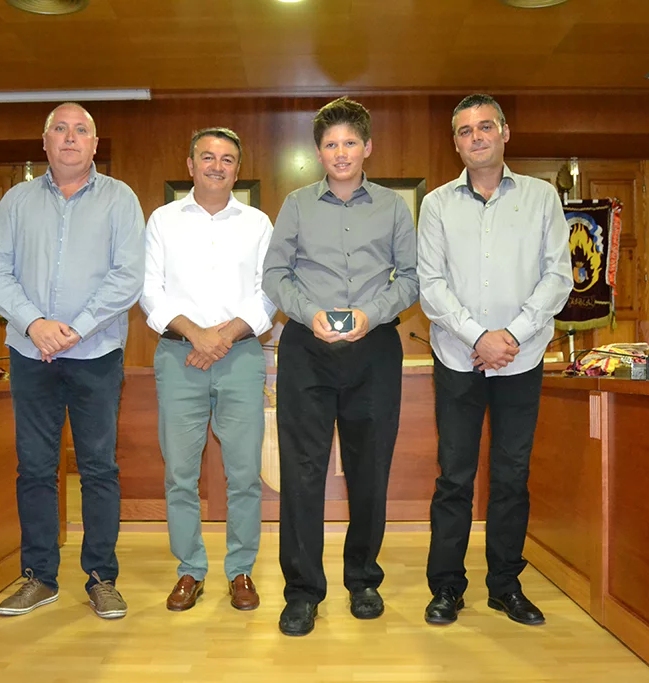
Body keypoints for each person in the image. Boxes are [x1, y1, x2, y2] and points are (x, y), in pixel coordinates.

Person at [262, 96, 419, 637]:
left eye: (350, 142)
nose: (341, 152)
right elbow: (275, 275)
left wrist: (370, 314)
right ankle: (303, 591)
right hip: (307, 350)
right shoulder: (297, 204)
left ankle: (364, 579)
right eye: (331, 144)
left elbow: (412, 278)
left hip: (374, 350)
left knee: (369, 468)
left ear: (367, 147)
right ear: (318, 153)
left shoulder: (395, 208)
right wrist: (309, 314)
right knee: (302, 473)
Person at [0, 102, 145, 620]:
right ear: (45, 141)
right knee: (34, 468)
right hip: (31, 354)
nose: (70, 138)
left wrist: (76, 327)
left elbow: (128, 275)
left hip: (96, 352)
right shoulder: (14, 201)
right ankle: (39, 578)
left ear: (95, 145)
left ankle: (101, 578)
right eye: (61, 129)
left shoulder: (120, 199)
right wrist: (36, 325)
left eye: (82, 131)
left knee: (99, 468)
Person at [417, 94, 573, 627]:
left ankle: (504, 585)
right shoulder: (436, 204)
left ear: (505, 132)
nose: (476, 137)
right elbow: (431, 286)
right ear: (455, 142)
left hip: (523, 359)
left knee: (511, 476)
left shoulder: (542, 197)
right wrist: (479, 337)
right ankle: (446, 588)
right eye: (465, 130)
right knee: (454, 478)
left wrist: (511, 335)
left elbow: (558, 276)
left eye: (486, 127)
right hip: (458, 358)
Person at [139, 127, 276, 612]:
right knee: (180, 473)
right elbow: (149, 292)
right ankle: (189, 571)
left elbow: (269, 293)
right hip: (179, 357)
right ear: (190, 163)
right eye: (207, 157)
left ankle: (240, 570)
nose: (217, 165)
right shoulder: (162, 220)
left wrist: (223, 336)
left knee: (243, 474)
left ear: (238, 169)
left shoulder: (258, 223)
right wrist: (198, 335)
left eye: (227, 159)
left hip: (239, 357)